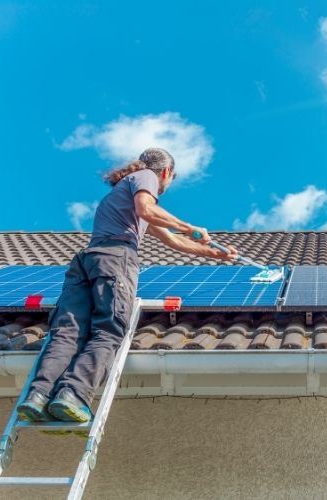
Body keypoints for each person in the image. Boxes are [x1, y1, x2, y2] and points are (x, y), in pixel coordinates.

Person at [17, 147, 238, 423]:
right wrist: (191, 226)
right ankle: (72, 394)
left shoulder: (121, 193)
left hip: (87, 261)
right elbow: (148, 208)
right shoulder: (146, 177)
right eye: (169, 179)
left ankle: (38, 396)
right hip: (114, 259)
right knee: (109, 329)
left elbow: (171, 239)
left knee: (68, 332)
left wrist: (216, 253)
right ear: (166, 172)